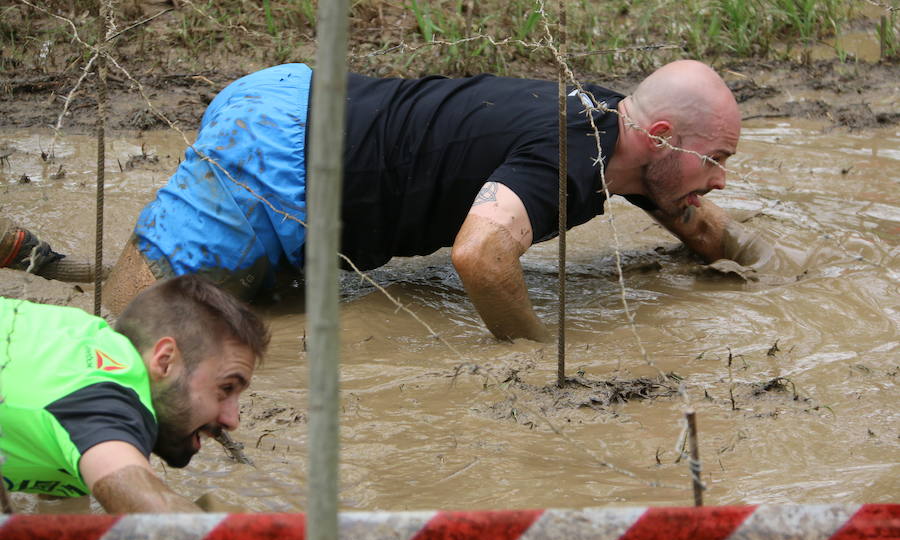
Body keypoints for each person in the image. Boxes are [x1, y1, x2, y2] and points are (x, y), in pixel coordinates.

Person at [8, 60, 765, 341]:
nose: (721, 179)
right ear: (659, 137)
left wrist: (763, 261)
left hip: (306, 117)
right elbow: (480, 257)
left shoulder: (619, 135)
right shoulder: (570, 155)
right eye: (718, 160)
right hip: (279, 147)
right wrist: (533, 355)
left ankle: (35, 258)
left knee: (236, 307)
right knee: (129, 336)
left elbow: (690, 209)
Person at [0, 274, 270, 540]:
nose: (232, 419)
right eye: (225, 388)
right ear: (165, 361)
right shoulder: (105, 404)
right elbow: (165, 521)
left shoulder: (82, 340)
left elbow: (61, 508)